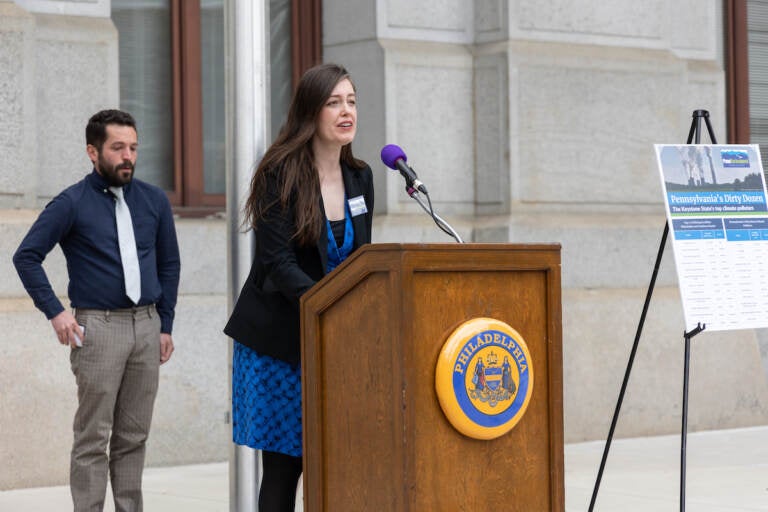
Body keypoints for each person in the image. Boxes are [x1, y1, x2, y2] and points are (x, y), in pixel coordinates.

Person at [13, 109, 181, 512]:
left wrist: (166, 325)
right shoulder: (71, 203)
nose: (128, 156)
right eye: (117, 148)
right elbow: (27, 256)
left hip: (146, 326)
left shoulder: (154, 201)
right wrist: (56, 312)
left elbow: (169, 264)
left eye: (133, 148)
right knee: (93, 438)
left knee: (134, 436)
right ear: (93, 151)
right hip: (98, 329)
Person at [224, 63, 374, 511]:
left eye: (351, 101)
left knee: (338, 461)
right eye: (334, 102)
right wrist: (328, 308)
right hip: (281, 344)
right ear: (311, 110)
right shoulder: (280, 173)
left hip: (336, 341)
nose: (346, 111)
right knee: (286, 466)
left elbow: (363, 259)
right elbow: (278, 263)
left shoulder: (361, 176)